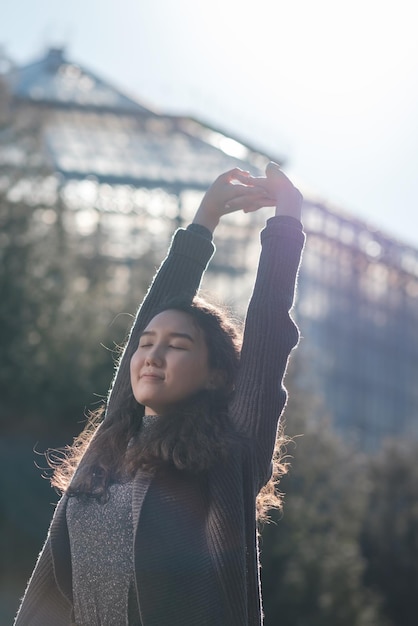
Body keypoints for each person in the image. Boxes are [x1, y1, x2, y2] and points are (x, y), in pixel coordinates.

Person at [14, 162, 305, 626]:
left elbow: (269, 333)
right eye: (146, 344)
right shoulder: (113, 442)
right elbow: (150, 320)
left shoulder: (230, 449)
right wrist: (202, 221)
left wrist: (287, 221)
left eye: (178, 345)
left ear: (215, 375)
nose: (152, 354)